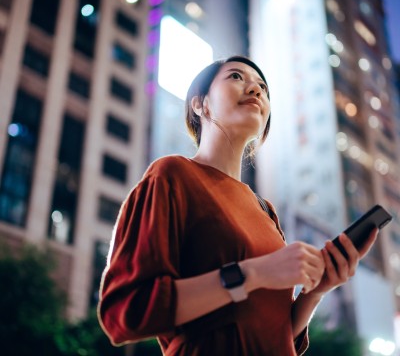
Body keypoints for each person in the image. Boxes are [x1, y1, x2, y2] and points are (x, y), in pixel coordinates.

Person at [97, 56, 378, 355]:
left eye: (263, 89)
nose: (256, 91)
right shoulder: (172, 176)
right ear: (200, 104)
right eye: (236, 77)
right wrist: (253, 273)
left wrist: (317, 290)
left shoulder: (265, 210)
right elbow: (125, 312)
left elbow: (275, 331)